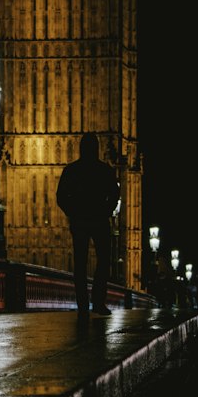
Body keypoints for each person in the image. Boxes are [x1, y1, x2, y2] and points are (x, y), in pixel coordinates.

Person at [56, 132, 121, 315]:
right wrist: (107, 209)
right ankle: (97, 302)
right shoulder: (104, 170)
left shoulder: (72, 170)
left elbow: (61, 197)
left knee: (81, 263)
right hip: (98, 220)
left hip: (83, 220)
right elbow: (115, 194)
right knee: (102, 261)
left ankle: (84, 304)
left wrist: (73, 212)